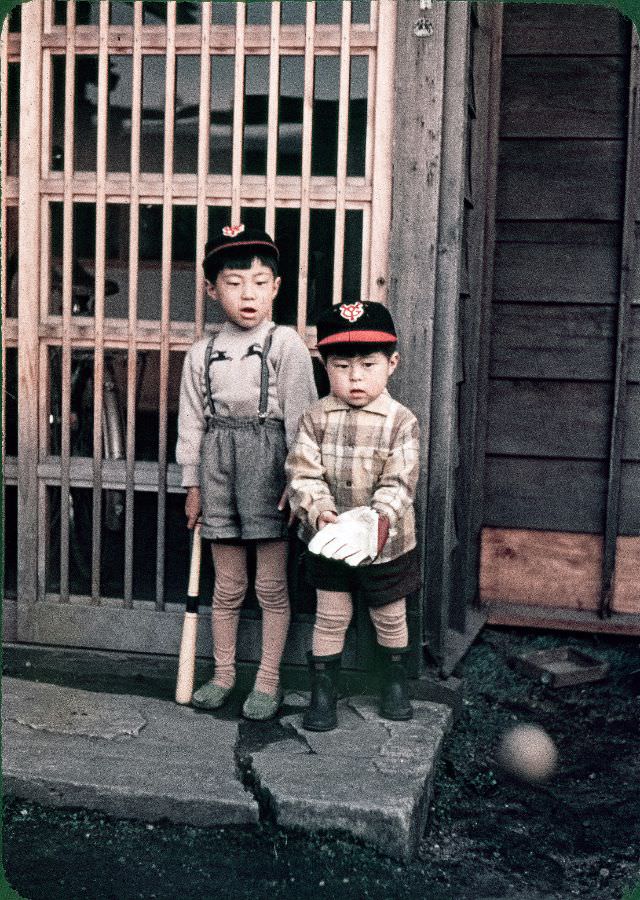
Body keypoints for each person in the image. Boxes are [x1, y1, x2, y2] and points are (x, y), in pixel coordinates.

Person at [176, 224, 317, 721]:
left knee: (272, 586)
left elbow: (304, 420)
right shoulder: (200, 354)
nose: (247, 293)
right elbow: (191, 423)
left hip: (269, 462)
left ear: (277, 287)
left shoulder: (287, 346)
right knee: (229, 585)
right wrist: (192, 484)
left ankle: (269, 679)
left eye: (259, 281)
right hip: (218, 464)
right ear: (213, 290)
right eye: (233, 283)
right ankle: (223, 674)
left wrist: (300, 482)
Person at [285, 300, 420, 731]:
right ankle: (324, 689)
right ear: (325, 366)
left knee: (389, 614)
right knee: (331, 615)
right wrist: (320, 512)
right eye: (342, 365)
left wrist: (379, 521)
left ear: (391, 363)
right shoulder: (315, 418)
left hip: (387, 543)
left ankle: (394, 680)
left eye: (368, 364)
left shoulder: (401, 421)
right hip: (330, 542)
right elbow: (302, 473)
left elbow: (401, 481)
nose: (355, 376)